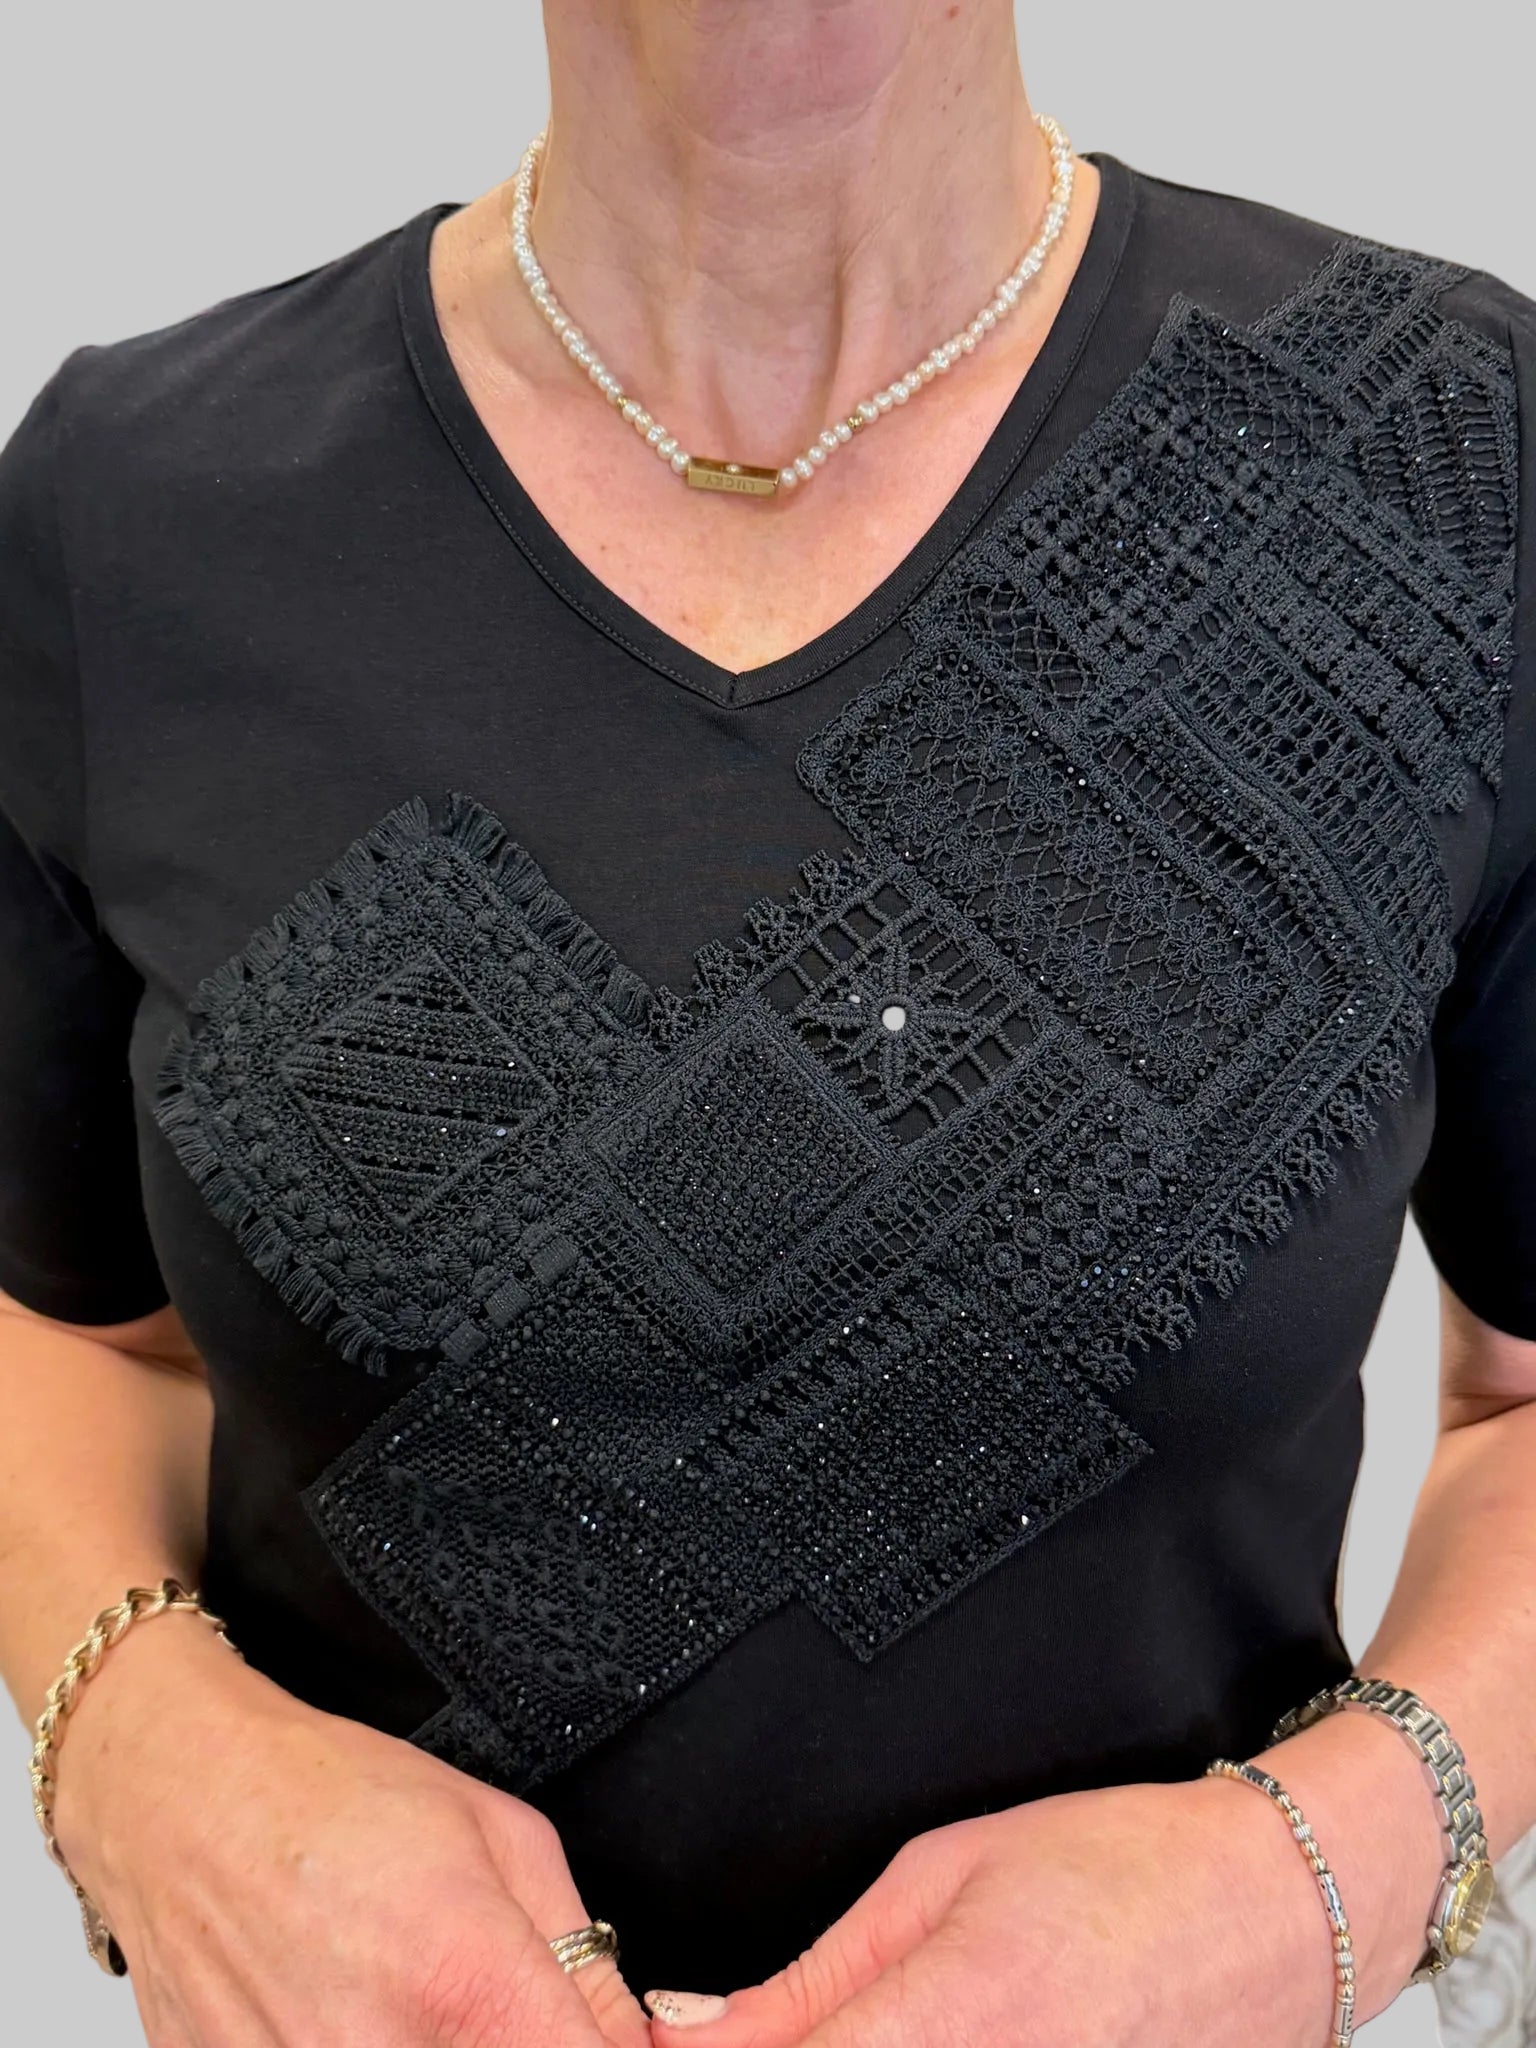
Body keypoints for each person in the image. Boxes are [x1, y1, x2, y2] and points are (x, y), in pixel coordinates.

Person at [1, 2, 1533, 2043]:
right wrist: (139, 1752)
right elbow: (64, 1328)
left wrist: (1313, 1879)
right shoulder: (128, 511)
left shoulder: (1429, 448)